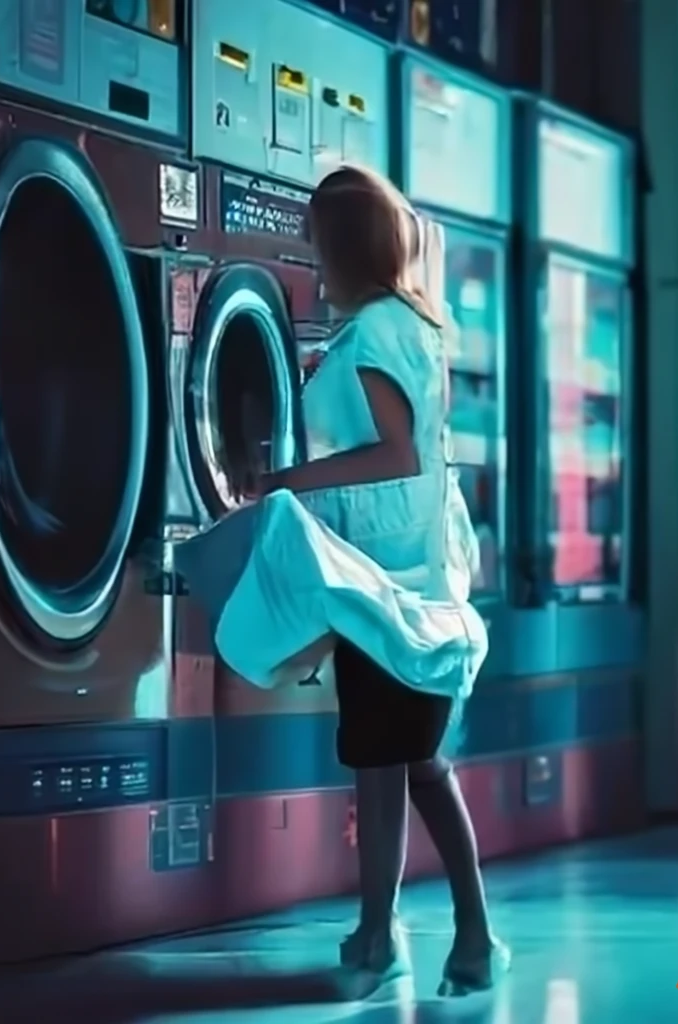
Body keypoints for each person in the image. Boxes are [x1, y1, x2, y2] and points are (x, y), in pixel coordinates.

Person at [241, 166, 509, 995]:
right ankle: (380, 934)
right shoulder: (408, 324)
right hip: (393, 580)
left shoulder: (373, 335)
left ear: (341, 246)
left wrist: (289, 482)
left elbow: (395, 452)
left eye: (318, 239)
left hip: (389, 586)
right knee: (389, 761)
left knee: (411, 760)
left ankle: (471, 936)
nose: (310, 253)